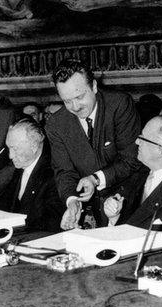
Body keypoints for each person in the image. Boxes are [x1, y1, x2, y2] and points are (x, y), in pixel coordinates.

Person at [45, 59, 141, 230]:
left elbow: (131, 160)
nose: (75, 107)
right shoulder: (56, 124)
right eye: (66, 101)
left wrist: (96, 179)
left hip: (125, 203)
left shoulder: (119, 105)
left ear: (94, 87)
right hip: (91, 212)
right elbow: (64, 171)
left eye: (80, 97)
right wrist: (72, 201)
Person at [104, 116, 162, 249]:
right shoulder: (138, 178)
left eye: (142, 138)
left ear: (160, 150)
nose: (136, 142)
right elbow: (131, 226)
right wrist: (115, 217)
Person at [0, 119, 63, 232]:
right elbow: (1, 207)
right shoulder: (18, 168)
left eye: (15, 149)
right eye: (9, 148)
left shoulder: (53, 174)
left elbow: (50, 224)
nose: (10, 156)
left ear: (34, 146)